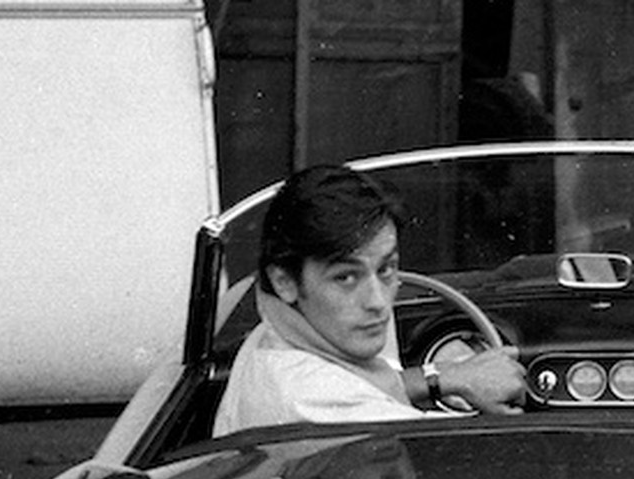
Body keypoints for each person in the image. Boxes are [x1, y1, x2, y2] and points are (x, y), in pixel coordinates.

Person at [214, 165, 526, 435]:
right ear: (285, 281)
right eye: (346, 277)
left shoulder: (275, 330)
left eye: (386, 268)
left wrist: (448, 377)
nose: (377, 302)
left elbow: (358, 383)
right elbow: (447, 453)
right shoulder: (312, 402)